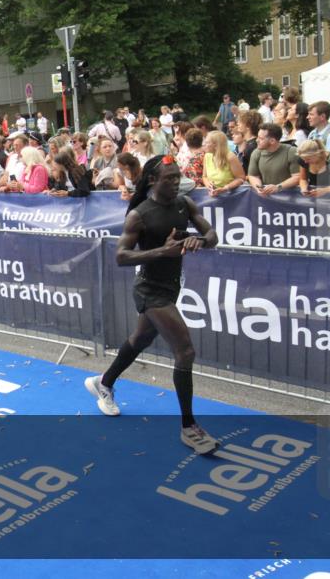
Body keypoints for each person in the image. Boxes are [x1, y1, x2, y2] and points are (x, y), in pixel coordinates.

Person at [85, 155, 220, 454]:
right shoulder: (140, 215)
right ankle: (189, 426)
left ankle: (103, 383)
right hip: (149, 290)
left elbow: (212, 235)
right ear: (152, 181)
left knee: (140, 339)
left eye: (177, 177)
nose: (176, 182)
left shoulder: (186, 204)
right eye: (169, 178)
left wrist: (199, 239)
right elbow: (121, 256)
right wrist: (163, 251)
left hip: (171, 288)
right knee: (185, 351)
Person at [247, 123, 302, 195]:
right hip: (267, 198)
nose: (257, 140)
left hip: (289, 198)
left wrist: (278, 187)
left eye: (261, 138)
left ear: (272, 141)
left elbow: (298, 177)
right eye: (257, 137)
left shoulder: (291, 151)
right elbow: (253, 175)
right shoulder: (256, 153)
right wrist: (259, 188)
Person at [202, 130, 246, 197]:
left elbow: (241, 178)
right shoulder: (207, 156)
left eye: (207, 142)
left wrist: (225, 188)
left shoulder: (230, 157)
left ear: (216, 145)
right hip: (213, 197)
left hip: (232, 196)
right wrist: (208, 185)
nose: (203, 144)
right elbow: (204, 176)